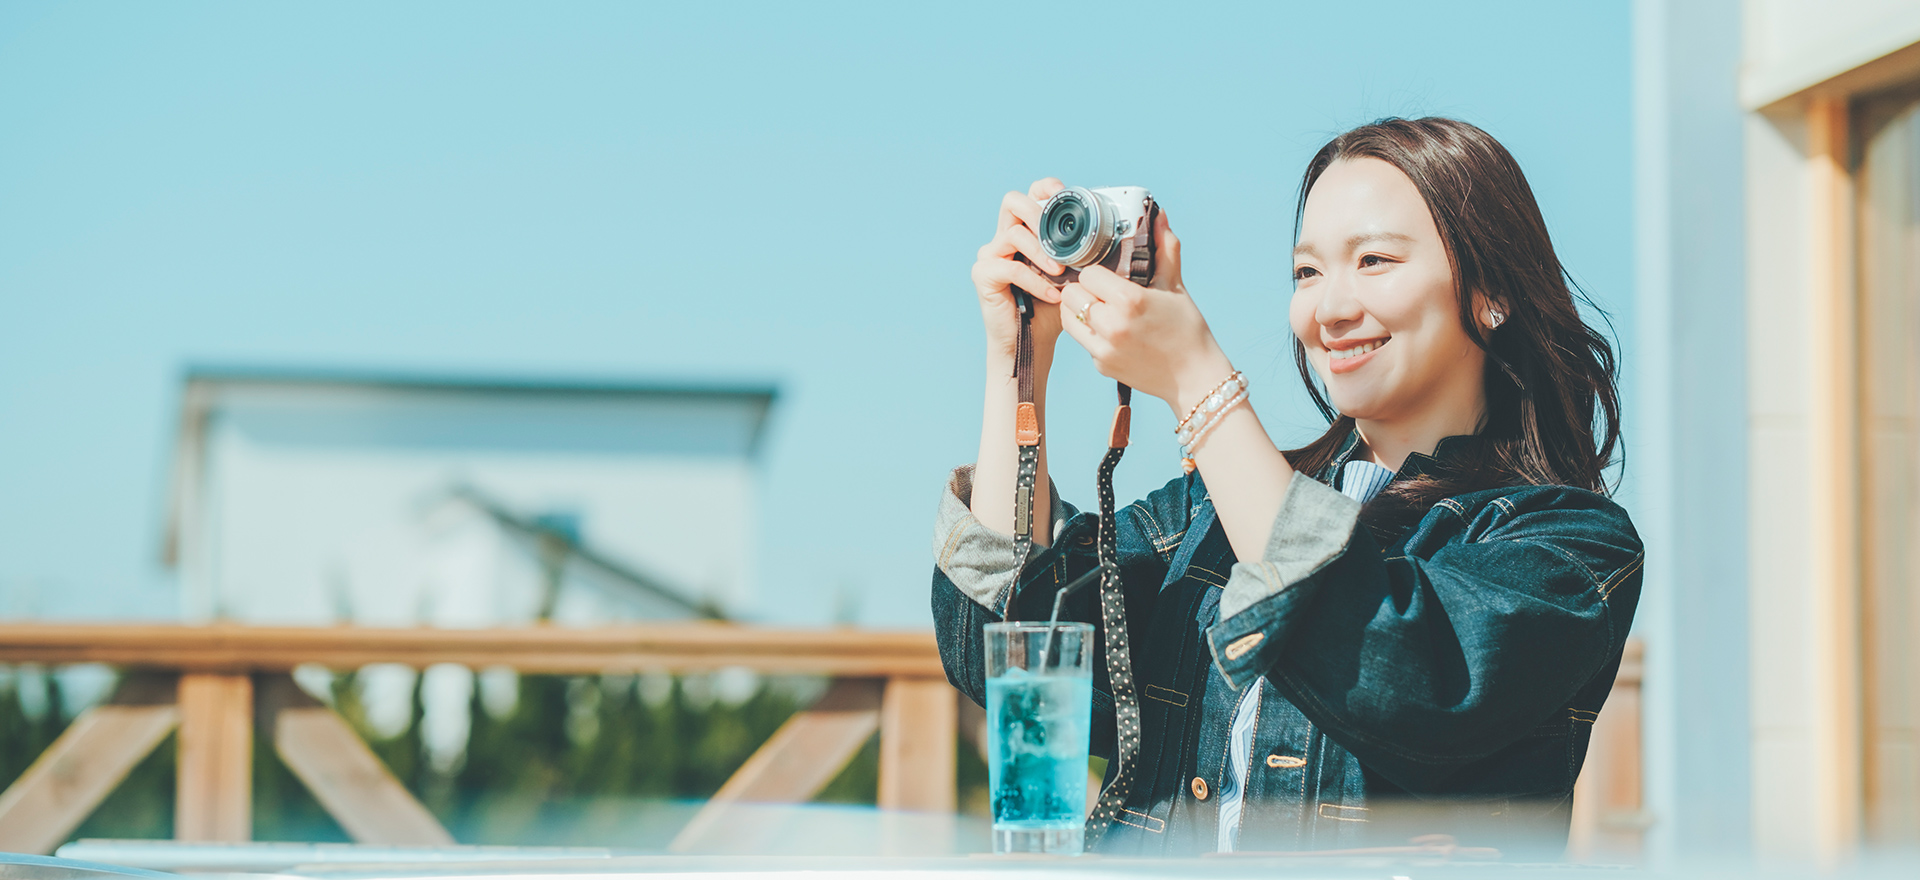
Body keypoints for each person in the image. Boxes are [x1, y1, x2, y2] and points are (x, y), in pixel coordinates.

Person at [931, 117, 1643, 856]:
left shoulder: (1570, 548)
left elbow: (1399, 673)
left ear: (1492, 290)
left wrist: (1196, 381)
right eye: (1307, 272)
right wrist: (1017, 360)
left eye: (1373, 261)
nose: (1329, 309)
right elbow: (1010, 651)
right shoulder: (1208, 514)